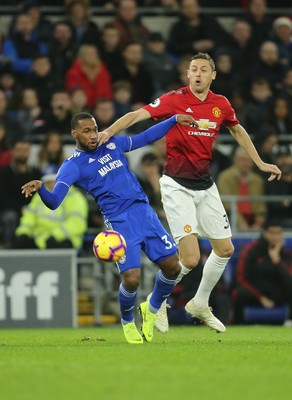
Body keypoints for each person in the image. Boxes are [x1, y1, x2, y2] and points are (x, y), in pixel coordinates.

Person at [97, 52, 282, 334]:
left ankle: (199, 303)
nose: (197, 73)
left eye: (203, 70)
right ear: (188, 74)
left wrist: (260, 162)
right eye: (193, 69)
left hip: (205, 184)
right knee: (192, 258)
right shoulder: (173, 99)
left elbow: (238, 131)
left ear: (213, 76)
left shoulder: (221, 105)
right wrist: (109, 131)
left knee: (225, 249)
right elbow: (138, 114)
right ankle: (154, 303)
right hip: (176, 184)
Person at [21, 111, 196, 344]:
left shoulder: (111, 142)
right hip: (119, 221)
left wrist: (173, 120)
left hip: (144, 212)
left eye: (94, 129)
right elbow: (54, 202)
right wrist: (42, 187)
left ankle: (151, 309)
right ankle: (127, 322)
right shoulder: (72, 166)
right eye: (87, 131)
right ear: (74, 134)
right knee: (132, 279)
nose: (93, 135)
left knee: (173, 268)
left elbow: (145, 137)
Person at [232, 220, 292, 324]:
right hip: (255, 294)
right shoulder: (251, 250)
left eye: (278, 233)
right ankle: (237, 324)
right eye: (272, 233)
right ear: (264, 233)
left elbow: (289, 282)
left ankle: (289, 322)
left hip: (278, 294)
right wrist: (261, 297)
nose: (275, 236)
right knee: (238, 293)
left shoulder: (286, 254)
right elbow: (241, 279)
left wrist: (277, 262)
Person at [14, 173, 88, 250]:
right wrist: (23, 233)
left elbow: (76, 224)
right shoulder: (39, 196)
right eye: (48, 181)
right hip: (39, 240)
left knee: (60, 245)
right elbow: (29, 217)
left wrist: (55, 235)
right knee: (19, 243)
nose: (51, 184)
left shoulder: (74, 197)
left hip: (64, 240)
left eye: (55, 181)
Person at [217, 147, 266, 232]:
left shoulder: (257, 180)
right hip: (230, 216)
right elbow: (227, 204)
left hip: (252, 218)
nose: (245, 163)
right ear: (235, 160)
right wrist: (240, 222)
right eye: (242, 160)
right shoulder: (225, 177)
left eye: (248, 160)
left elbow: (260, 204)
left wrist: (259, 222)